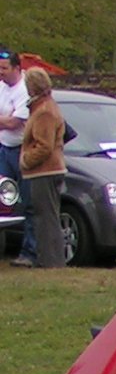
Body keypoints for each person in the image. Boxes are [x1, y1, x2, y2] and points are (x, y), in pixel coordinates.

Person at [19, 66, 64, 268]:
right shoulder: (44, 107)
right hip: (47, 171)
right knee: (47, 217)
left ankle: (50, 262)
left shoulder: (44, 111)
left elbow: (44, 146)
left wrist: (26, 160)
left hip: (45, 171)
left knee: (46, 219)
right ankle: (50, 260)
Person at [0, 47, 35, 266]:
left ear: (16, 68)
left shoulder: (24, 90)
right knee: (4, 202)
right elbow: (8, 121)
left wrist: (8, 120)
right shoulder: (1, 87)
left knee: (27, 202)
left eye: (4, 68)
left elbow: (16, 123)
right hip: (3, 149)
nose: (0, 72)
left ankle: (29, 252)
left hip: (22, 151)